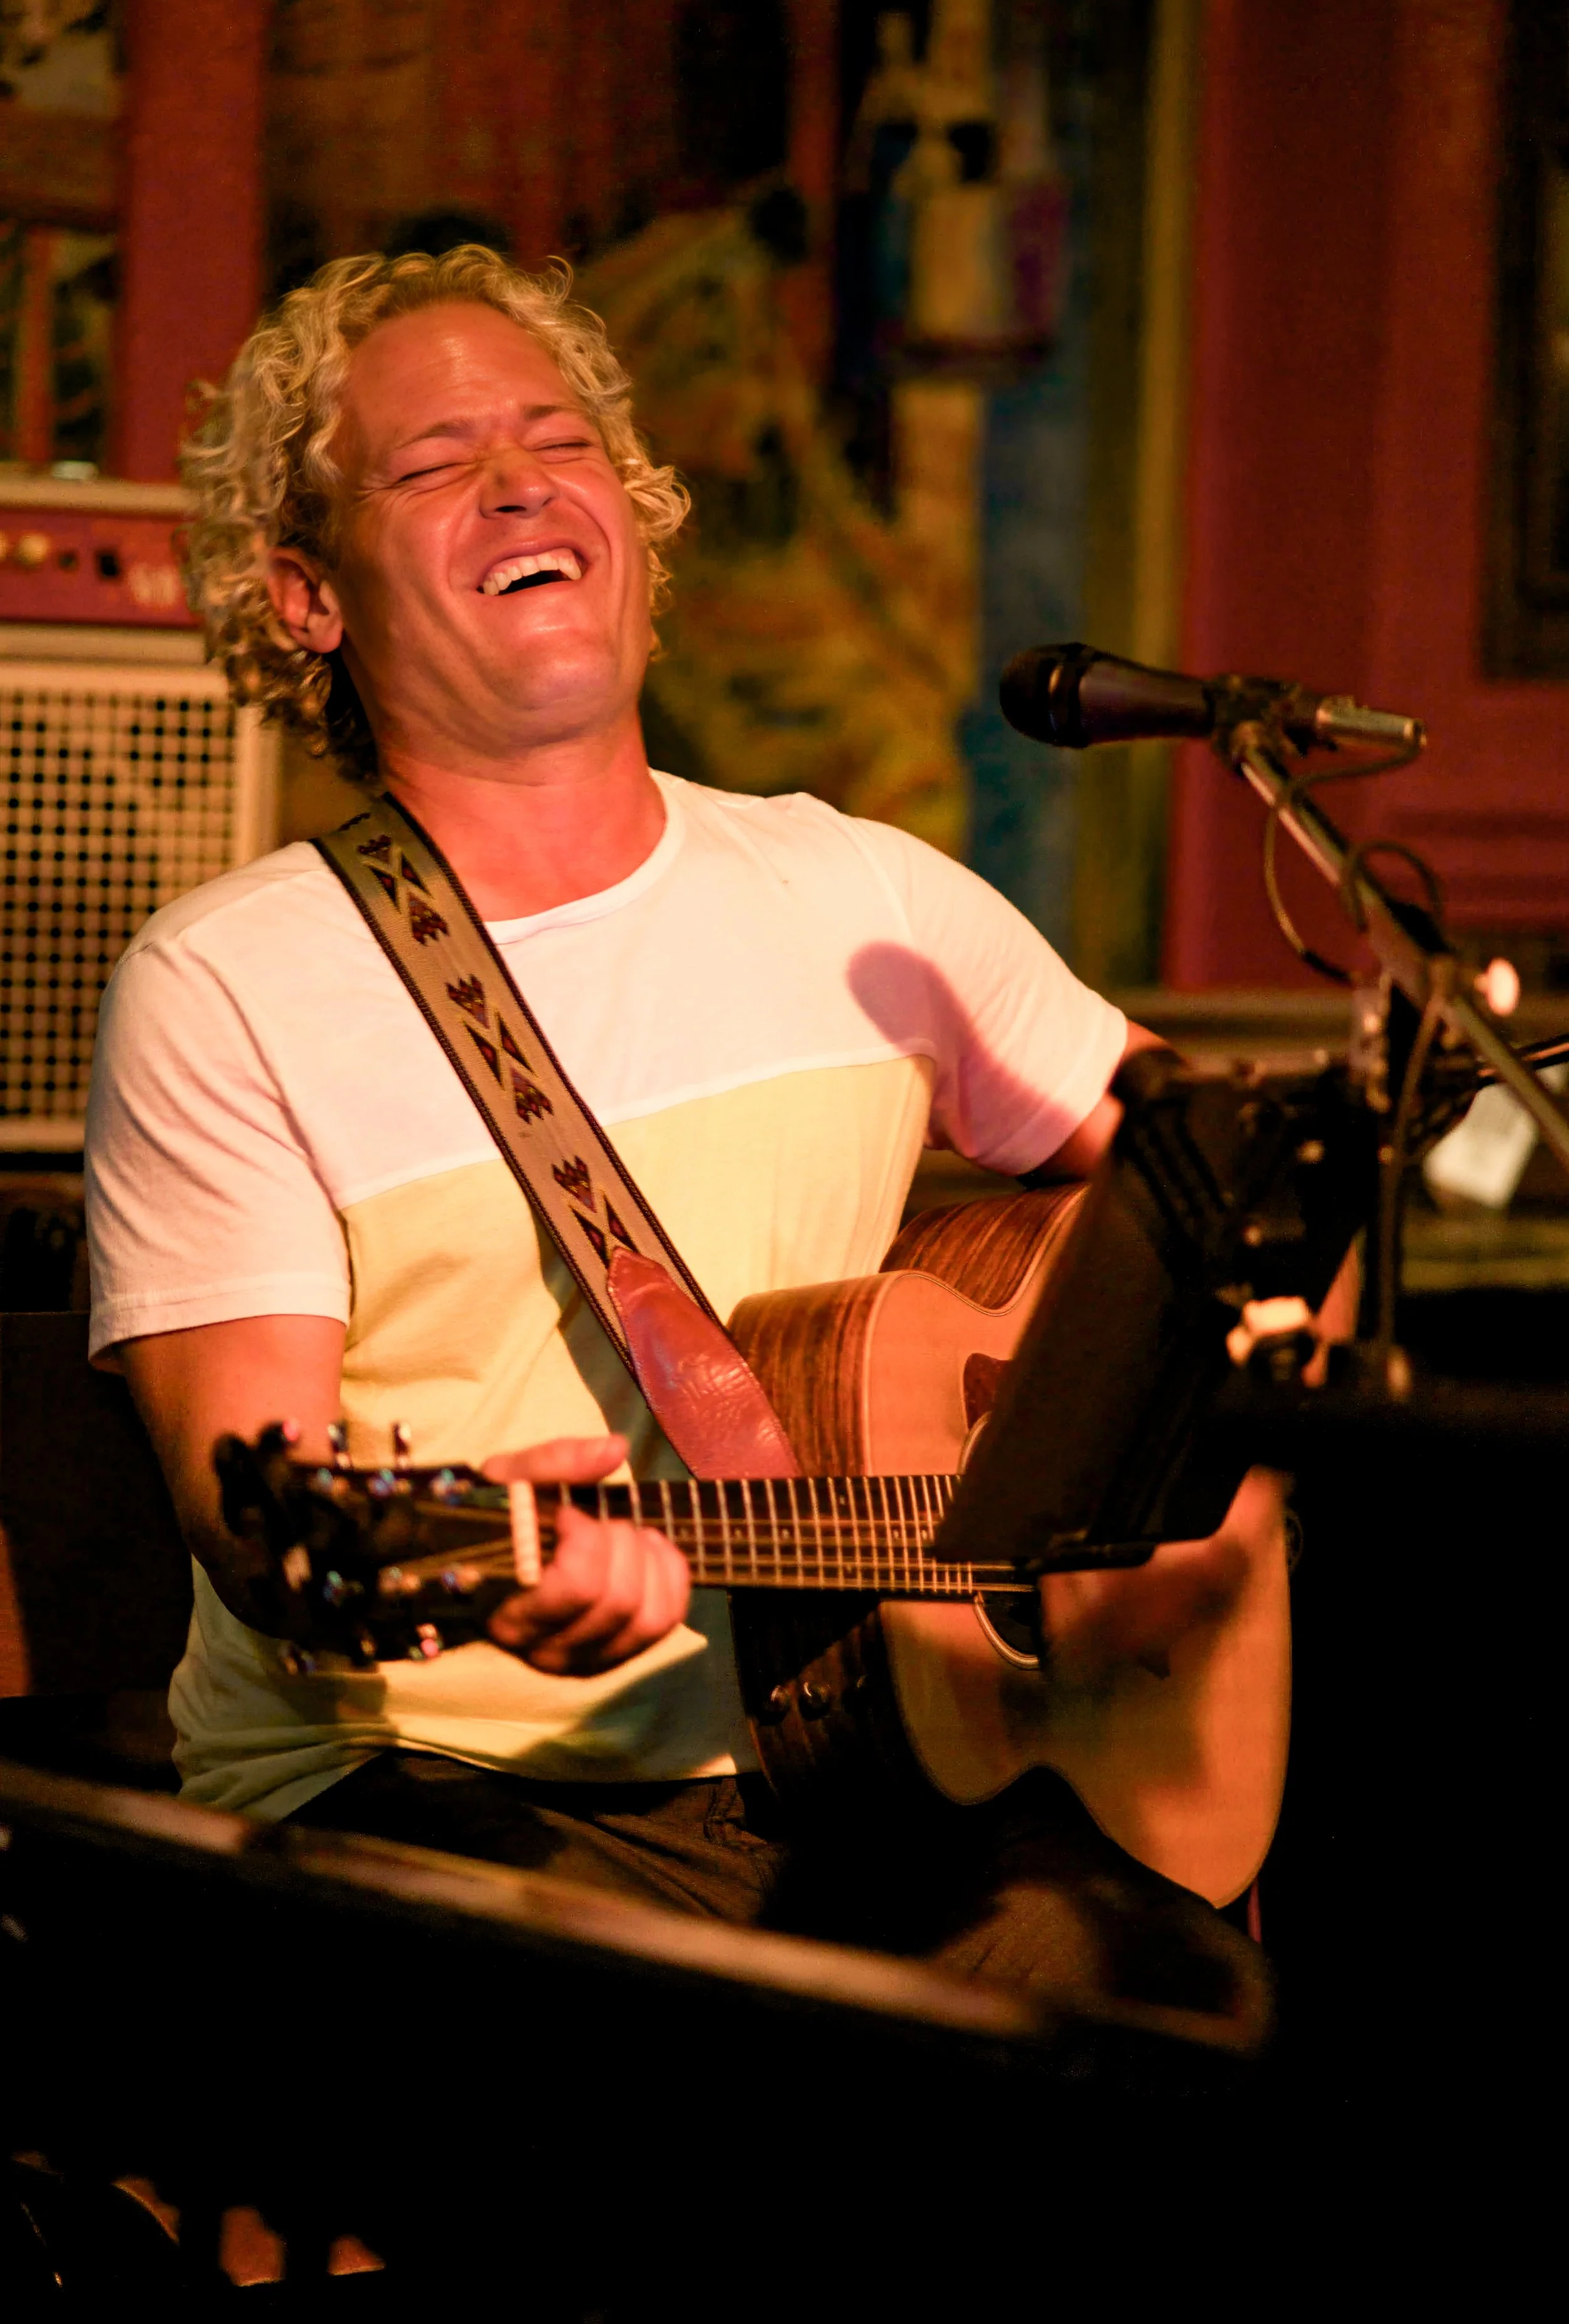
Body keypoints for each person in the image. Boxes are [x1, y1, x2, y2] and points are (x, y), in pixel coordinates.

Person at [85, 245, 1275, 2017]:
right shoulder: (234, 982)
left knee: (1169, 2019)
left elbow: (1219, 1193)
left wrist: (1173, 1472)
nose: (518, 481)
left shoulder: (859, 895)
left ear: (633, 525)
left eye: (559, 439)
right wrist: (467, 1581)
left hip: (870, 1774)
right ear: (305, 594)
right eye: (431, 465)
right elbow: (257, 1506)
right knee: (689, 2096)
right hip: (433, 1801)